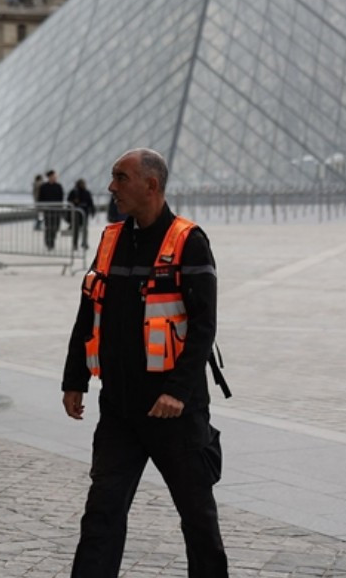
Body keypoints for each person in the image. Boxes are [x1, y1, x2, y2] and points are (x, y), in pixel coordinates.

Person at [63, 148, 228, 578]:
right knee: (101, 514)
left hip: (173, 411)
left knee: (198, 519)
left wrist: (177, 391)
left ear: (151, 186)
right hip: (119, 408)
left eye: (121, 177)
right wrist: (74, 378)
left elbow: (203, 327)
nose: (111, 186)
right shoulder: (111, 238)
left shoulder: (189, 241)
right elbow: (88, 312)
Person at [38, 169, 65, 250]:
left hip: (57, 211)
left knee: (56, 227)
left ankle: (52, 240)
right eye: (53, 176)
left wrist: (61, 207)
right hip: (47, 211)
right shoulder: (44, 187)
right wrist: (41, 207)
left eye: (55, 176)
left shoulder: (59, 186)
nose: (55, 177)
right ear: (49, 177)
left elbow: (61, 198)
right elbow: (40, 198)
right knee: (48, 227)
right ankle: (49, 242)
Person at [67, 178, 96, 250]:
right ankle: (75, 244)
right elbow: (69, 202)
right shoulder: (74, 192)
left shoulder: (87, 192)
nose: (84, 185)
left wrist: (92, 211)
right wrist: (74, 202)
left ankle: (84, 243)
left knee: (84, 229)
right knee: (76, 229)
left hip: (84, 213)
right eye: (82, 184)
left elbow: (90, 202)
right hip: (76, 213)